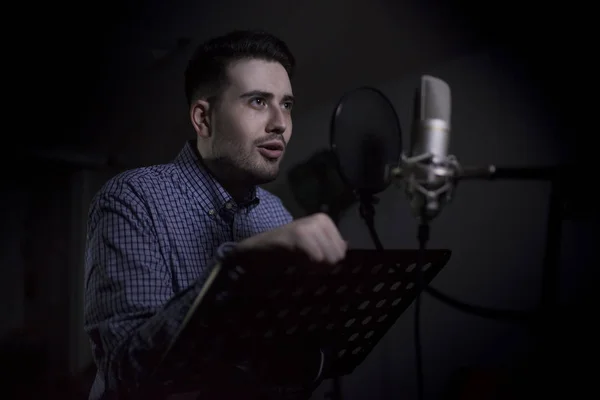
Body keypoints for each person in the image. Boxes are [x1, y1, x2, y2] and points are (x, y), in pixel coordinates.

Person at [83, 30, 348, 400]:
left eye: (286, 104)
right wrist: (237, 266)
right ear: (203, 118)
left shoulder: (277, 215)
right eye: (258, 101)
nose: (280, 123)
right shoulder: (132, 200)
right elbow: (126, 372)